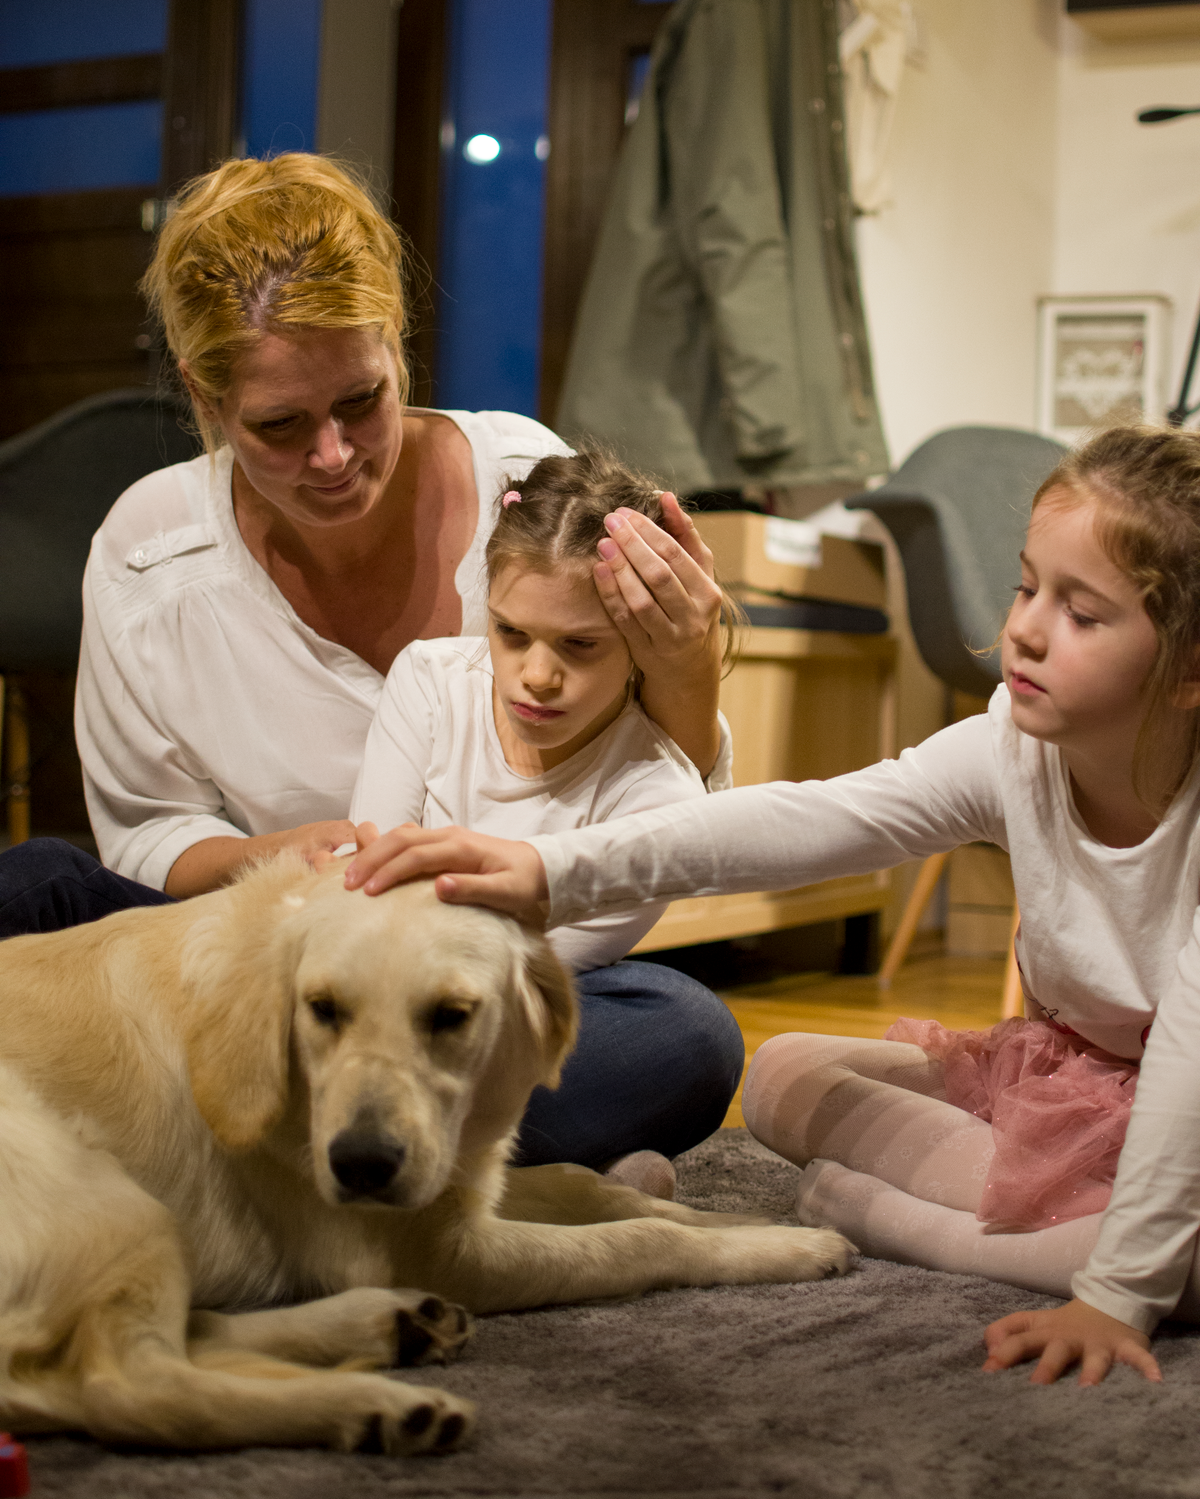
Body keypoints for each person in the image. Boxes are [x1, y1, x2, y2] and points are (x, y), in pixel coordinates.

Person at [342, 424, 1200, 1386]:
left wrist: (1115, 1294)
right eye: (1027, 587)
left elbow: (1187, 1055)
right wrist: (547, 870)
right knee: (784, 1076)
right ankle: (1068, 1208)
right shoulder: (1013, 749)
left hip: (1191, 1102)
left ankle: (927, 1225)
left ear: (1191, 668)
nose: (1027, 630)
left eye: (1081, 614)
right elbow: (815, 820)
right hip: (1086, 1080)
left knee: (1181, 1252)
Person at [0, 152, 743, 1175]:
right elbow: (149, 833)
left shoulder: (527, 486)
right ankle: (302, 1146)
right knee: (36, 887)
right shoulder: (148, 554)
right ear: (205, 399)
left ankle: (213, 1139)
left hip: (460, 991)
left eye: (361, 401)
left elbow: (659, 794)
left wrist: (689, 661)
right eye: (278, 426)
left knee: (681, 1033)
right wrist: (278, 857)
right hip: (255, 968)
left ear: (396, 341)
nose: (334, 456)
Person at [350, 450, 743, 1185]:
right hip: (380, 995)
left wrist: (411, 887)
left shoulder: (659, 790)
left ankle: (395, 1148)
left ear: (641, 644)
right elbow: (365, 894)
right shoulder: (431, 678)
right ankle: (551, 1173)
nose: (535, 675)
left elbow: (510, 972)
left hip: (500, 1010)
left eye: (580, 646)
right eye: (510, 634)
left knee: (689, 1031)